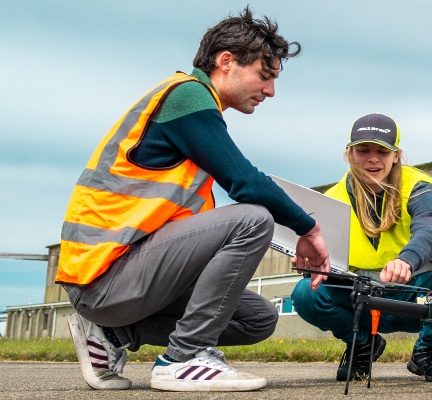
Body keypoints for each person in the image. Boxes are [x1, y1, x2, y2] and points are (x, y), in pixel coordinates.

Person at [57, 7, 328, 392]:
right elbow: (245, 182)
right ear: (226, 61)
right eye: (264, 76)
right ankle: (183, 357)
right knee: (252, 219)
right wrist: (309, 228)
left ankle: (114, 334)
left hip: (127, 277)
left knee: (257, 319)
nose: (270, 91)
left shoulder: (195, 106)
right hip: (104, 278)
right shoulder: (187, 96)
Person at [290, 113, 432, 383]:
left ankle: (426, 351)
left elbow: (427, 231)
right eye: (363, 150)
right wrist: (308, 265)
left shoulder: (418, 187)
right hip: (364, 297)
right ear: (350, 153)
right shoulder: (332, 199)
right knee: (306, 292)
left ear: (397, 155)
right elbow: (325, 260)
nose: (373, 158)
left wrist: (406, 261)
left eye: (382, 151)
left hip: (418, 293)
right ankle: (364, 344)